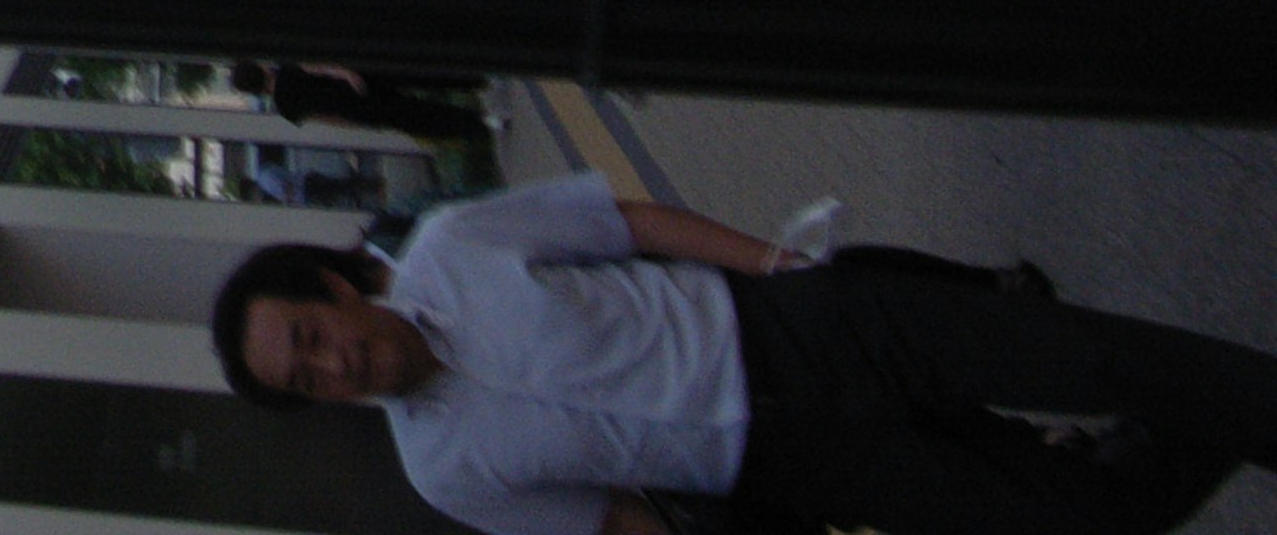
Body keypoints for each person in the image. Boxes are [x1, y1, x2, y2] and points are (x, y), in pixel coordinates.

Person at [208, 172, 1277, 535]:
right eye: (307, 381)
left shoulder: (456, 246)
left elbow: (621, 223)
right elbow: (612, 525)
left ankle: (1225, 407)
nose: (332, 368)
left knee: (1095, 360)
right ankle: (1180, 433)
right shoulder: (442, 470)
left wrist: (778, 267)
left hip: (794, 327)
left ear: (336, 290)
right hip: (780, 462)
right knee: (1075, 522)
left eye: (310, 339)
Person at [231, 56, 492, 147]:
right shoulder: (287, 67)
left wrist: (359, 124)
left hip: (357, 110)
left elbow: (330, 120)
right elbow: (320, 68)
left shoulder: (285, 108)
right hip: (355, 81)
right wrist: (346, 73)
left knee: (419, 117)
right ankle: (475, 79)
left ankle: (479, 125)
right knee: (416, 76)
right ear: (260, 69)